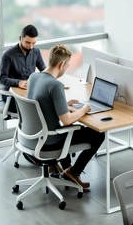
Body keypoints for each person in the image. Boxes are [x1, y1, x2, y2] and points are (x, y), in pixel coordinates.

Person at [26, 43, 105, 189]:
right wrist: (84, 108)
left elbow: (41, 103)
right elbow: (67, 120)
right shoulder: (55, 85)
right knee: (98, 134)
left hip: (30, 137)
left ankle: (63, 167)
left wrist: (64, 104)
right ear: (62, 64)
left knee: (71, 130)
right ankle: (73, 172)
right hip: (49, 141)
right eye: (67, 65)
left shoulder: (34, 77)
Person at [0, 24, 46, 93]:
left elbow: (44, 71)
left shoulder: (36, 52)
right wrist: (18, 82)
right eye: (27, 42)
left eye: (33, 43)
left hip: (28, 90)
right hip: (10, 92)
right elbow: (2, 78)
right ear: (20, 38)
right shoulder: (8, 54)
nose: (31, 47)